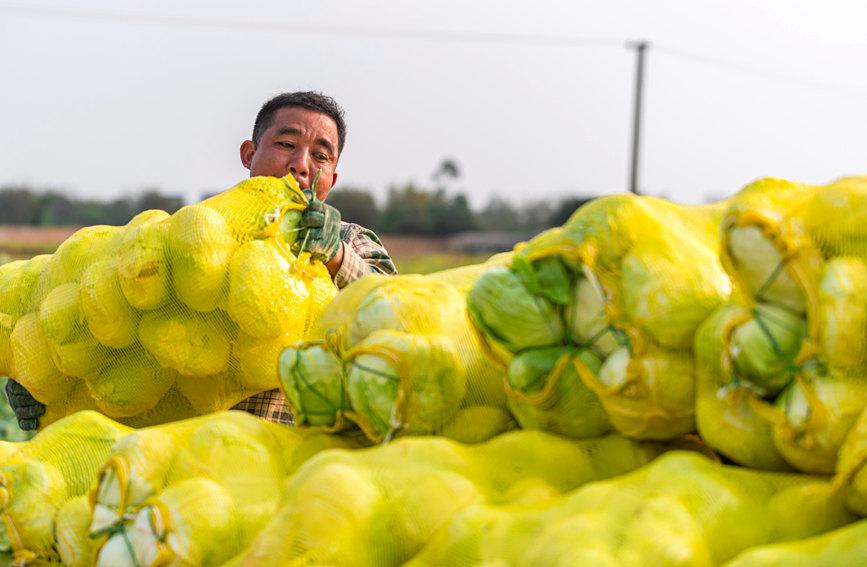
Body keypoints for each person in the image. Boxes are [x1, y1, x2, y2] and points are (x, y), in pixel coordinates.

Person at [6, 91, 397, 430]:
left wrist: (334, 256)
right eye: (285, 144)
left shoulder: (348, 240)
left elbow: (397, 313)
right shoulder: (194, 237)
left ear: (332, 176)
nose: (301, 164)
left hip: (291, 457)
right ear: (249, 154)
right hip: (190, 461)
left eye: (320, 155)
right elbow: (126, 338)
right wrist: (42, 386)